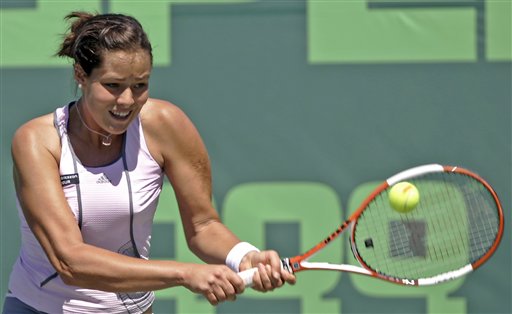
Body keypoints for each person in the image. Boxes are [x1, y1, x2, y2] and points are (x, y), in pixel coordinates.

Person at [3, 11, 295, 314]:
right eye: (113, 86)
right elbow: (70, 261)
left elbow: (203, 225)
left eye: (140, 85)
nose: (127, 101)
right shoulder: (37, 140)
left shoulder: (166, 124)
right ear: (81, 76)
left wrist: (244, 257)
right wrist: (186, 273)